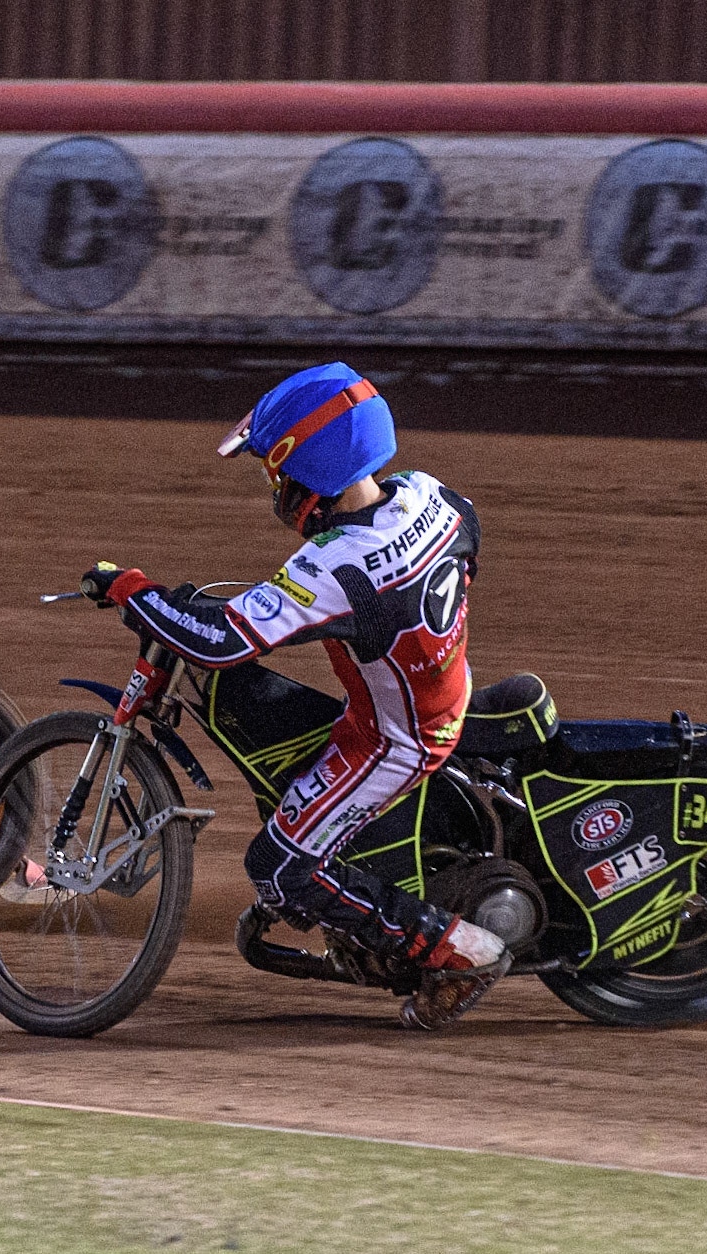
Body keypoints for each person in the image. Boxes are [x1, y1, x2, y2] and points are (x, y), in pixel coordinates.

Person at [79, 362, 508, 1030]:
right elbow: (463, 553)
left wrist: (131, 590)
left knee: (278, 869)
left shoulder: (337, 563)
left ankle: (457, 951)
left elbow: (221, 644)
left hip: (393, 741)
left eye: (275, 473)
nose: (273, 488)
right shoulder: (433, 497)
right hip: (439, 692)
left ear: (309, 467)